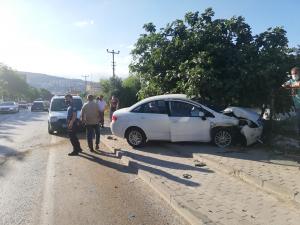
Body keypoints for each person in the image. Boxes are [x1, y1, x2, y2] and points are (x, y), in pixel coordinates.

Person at [282, 66, 300, 135]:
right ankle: (297, 131)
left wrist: (290, 86)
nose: (294, 75)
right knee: (297, 118)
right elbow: (283, 85)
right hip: (297, 104)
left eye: (296, 73)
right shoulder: (291, 81)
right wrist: (287, 86)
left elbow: (298, 85)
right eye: (293, 74)